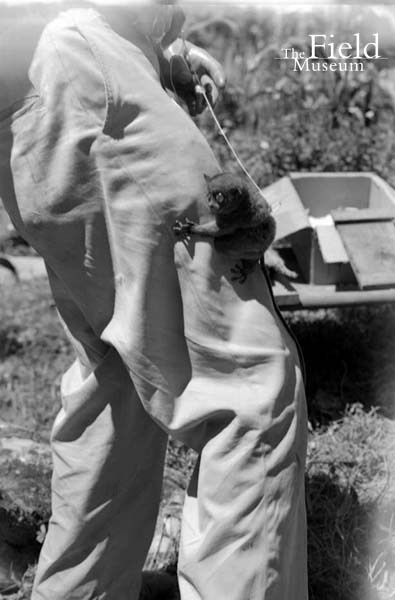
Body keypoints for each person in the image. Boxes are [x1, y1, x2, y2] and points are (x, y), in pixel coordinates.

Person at [0, 3, 308, 599]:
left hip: (32, 99)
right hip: (81, 67)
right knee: (247, 387)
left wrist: (156, 55)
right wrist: (136, 38)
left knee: (118, 372)